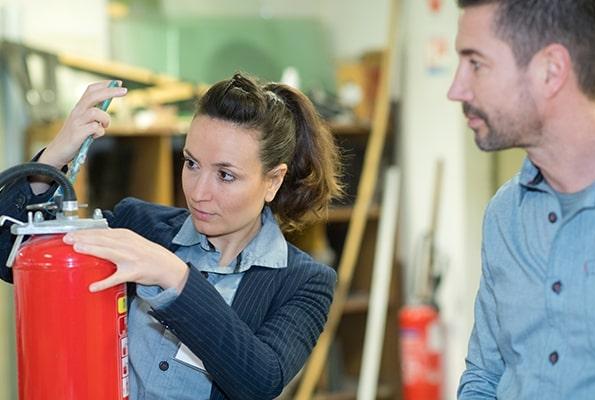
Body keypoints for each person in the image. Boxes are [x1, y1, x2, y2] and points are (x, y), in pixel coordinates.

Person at [0, 73, 343, 399]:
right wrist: (55, 157)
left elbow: (259, 380)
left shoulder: (304, 281)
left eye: (225, 175)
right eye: (191, 164)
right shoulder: (139, 224)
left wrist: (174, 276)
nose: (199, 192)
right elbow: (11, 257)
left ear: (273, 180)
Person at [447, 0, 595, 399]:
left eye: (475, 63)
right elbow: (484, 374)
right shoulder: (504, 215)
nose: (455, 89)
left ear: (551, 71)